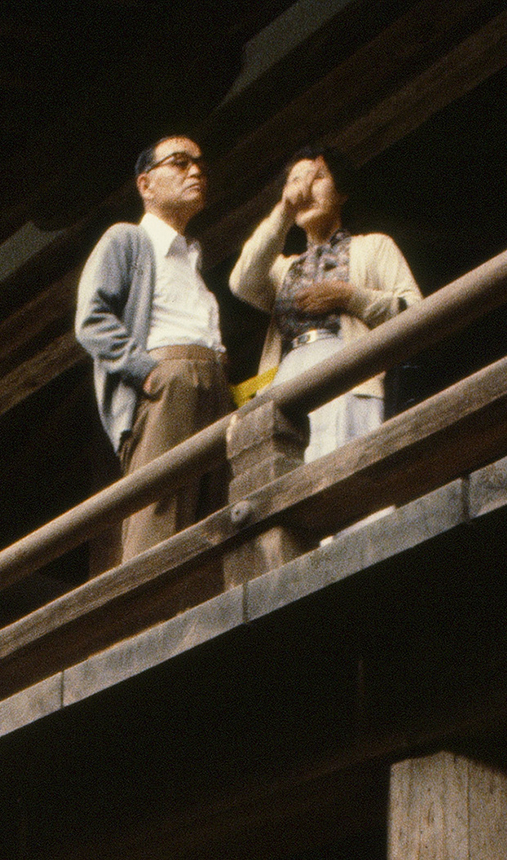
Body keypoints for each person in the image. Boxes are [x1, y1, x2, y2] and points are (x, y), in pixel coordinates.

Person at [75, 136, 230, 563]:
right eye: (180, 163)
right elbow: (91, 320)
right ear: (146, 184)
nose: (195, 171)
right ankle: (149, 616)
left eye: (200, 164)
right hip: (166, 382)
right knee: (158, 516)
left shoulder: (191, 258)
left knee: (212, 513)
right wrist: (148, 372)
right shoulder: (127, 240)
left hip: (212, 383)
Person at [229, 147, 420, 460]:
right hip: (288, 378)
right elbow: (241, 282)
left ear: (341, 192)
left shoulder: (373, 246)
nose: (305, 189)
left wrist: (351, 297)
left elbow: (415, 310)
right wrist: (282, 212)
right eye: (296, 182)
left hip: (350, 373)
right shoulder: (282, 269)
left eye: (317, 178)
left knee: (350, 467)